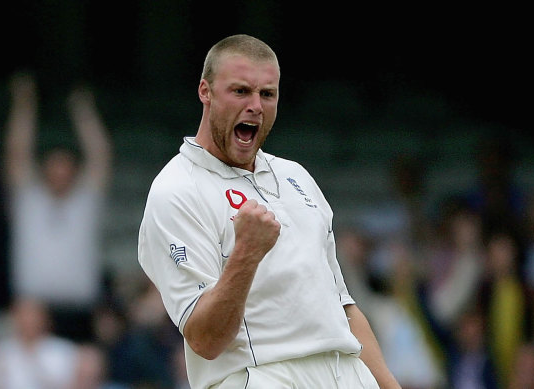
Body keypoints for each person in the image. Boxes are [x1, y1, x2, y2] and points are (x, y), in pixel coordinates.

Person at [138, 34, 401, 389]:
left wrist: (388, 384)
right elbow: (205, 339)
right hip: (263, 376)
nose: (256, 106)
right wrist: (246, 251)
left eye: (267, 94)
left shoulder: (296, 176)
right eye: (240, 91)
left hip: (347, 374)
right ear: (206, 91)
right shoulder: (176, 190)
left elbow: (343, 308)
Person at [3, 72, 112, 342]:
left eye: (66, 168)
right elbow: (17, 153)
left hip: (79, 311)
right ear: (43, 171)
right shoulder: (30, 200)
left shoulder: (84, 202)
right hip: (33, 310)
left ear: (75, 172)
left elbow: (100, 156)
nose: (60, 174)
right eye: (54, 167)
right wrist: (24, 104)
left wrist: (83, 110)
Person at [0, 297, 79, 389]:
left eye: (33, 315)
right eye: (22, 315)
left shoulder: (63, 350)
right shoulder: (1, 350)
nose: (28, 321)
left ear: (45, 318)